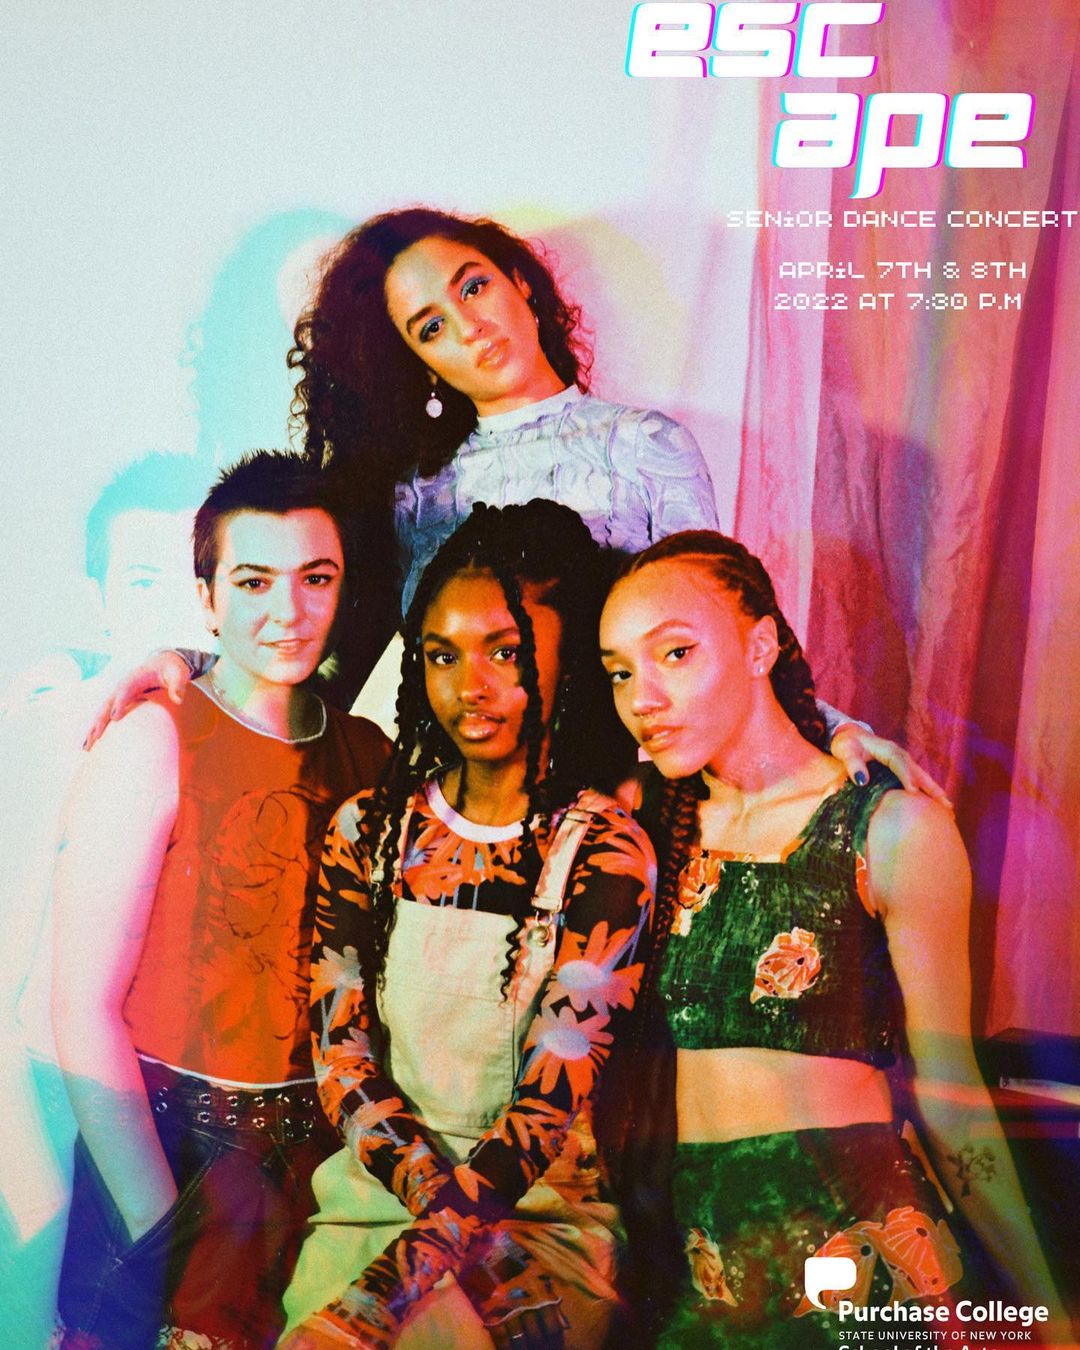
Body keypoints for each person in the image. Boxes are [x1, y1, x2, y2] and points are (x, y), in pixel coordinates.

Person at [85, 209, 942, 800]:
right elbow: (331, 651)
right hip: (455, 796)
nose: (468, 327)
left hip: (619, 787)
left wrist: (829, 731)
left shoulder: (645, 444)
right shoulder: (417, 490)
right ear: (420, 364)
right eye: (430, 327)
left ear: (521, 285)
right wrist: (194, 664)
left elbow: (714, 623)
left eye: (473, 288)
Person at [597, 531, 1067, 1348]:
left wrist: (1048, 1314)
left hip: (862, 1259)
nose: (644, 696)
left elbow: (951, 1096)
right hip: (710, 1272)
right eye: (620, 672)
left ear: (760, 646)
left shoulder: (890, 830)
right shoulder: (645, 831)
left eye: (675, 653)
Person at [277, 501, 655, 1349]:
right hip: (373, 1203)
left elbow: (548, 1109)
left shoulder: (604, 850)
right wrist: (398, 1259)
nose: (468, 685)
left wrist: (385, 1299)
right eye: (442, 654)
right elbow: (341, 1064)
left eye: (504, 651)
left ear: (566, 657)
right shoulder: (366, 832)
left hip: (536, 1220)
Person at [50, 452, 390, 1349]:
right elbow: (80, 1008)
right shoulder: (156, 736)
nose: (289, 611)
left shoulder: (370, 753)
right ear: (207, 598)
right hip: (166, 1151)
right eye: (254, 581)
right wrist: (160, 1227)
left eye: (316, 578)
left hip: (316, 1166)